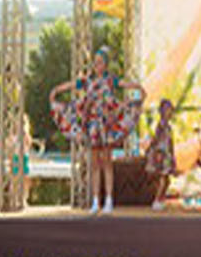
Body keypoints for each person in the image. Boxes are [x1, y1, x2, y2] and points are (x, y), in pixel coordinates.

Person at [76, 49, 142, 214]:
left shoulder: (110, 79)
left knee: (107, 162)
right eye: (95, 62)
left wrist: (137, 87)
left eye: (99, 62)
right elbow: (75, 86)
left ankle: (109, 199)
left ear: (105, 64)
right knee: (94, 163)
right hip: (93, 125)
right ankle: (95, 200)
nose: (96, 65)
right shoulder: (89, 81)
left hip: (106, 124)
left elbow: (123, 84)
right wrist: (57, 91)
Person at [142, 99, 178, 209]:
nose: (170, 113)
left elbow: (170, 143)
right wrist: (154, 151)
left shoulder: (168, 127)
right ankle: (157, 199)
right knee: (162, 178)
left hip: (167, 154)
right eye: (167, 110)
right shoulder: (161, 125)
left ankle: (161, 199)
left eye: (171, 110)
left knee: (166, 180)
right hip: (162, 153)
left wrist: (172, 157)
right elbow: (157, 139)